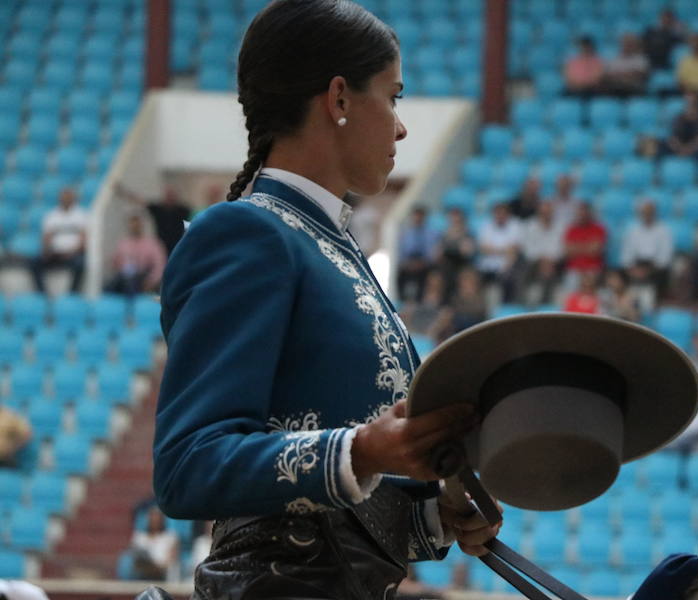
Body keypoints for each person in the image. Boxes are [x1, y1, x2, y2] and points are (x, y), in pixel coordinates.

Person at [153, 3, 499, 598]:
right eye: (393, 96)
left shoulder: (331, 245)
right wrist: (363, 450)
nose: (400, 125)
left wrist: (435, 517)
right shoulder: (248, 232)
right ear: (339, 99)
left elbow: (338, 510)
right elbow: (188, 464)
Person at [29, 188, 88, 293]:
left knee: (80, 264)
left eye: (68, 197)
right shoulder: (52, 215)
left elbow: (83, 240)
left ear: (74, 199)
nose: (66, 199)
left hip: (73, 254)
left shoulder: (81, 215)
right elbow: (46, 238)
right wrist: (49, 250)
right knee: (35, 262)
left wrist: (72, 252)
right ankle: (42, 293)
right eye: (64, 197)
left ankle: (72, 293)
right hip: (55, 253)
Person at [117, 183, 192, 258]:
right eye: (168, 195)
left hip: (177, 245)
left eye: (172, 195)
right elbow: (139, 200)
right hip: (160, 245)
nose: (170, 198)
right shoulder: (158, 209)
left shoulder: (183, 210)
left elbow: (191, 222)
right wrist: (122, 191)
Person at [105, 213, 168, 296]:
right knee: (108, 286)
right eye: (132, 226)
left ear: (141, 226)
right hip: (124, 276)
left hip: (143, 277)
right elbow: (115, 263)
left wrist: (151, 281)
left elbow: (160, 266)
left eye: (136, 225)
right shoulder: (124, 243)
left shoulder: (152, 243)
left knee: (130, 284)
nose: (134, 228)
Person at [620, 200, 673, 296]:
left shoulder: (663, 231)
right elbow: (627, 254)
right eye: (644, 213)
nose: (647, 215)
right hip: (636, 264)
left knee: (663, 274)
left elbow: (665, 257)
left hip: (655, 266)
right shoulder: (633, 231)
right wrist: (632, 269)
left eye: (650, 212)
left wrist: (648, 270)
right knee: (619, 275)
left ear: (654, 213)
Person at [477, 201, 523, 303]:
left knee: (509, 277)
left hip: (507, 266)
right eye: (497, 213)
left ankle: (506, 307)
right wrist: (504, 250)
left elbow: (514, 249)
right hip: (487, 266)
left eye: (502, 213)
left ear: (507, 214)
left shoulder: (515, 225)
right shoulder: (487, 226)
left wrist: (494, 250)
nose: (500, 216)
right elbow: (483, 248)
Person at [521, 201, 564, 306]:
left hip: (555, 263)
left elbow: (561, 249)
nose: (546, 215)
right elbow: (528, 250)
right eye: (543, 213)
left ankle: (549, 305)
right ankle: (526, 303)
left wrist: (549, 260)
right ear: (539, 213)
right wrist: (542, 260)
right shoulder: (530, 226)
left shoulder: (560, 227)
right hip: (534, 263)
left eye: (548, 212)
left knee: (550, 270)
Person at [396, 206, 439, 301]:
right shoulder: (405, 233)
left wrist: (423, 262)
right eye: (416, 216)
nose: (418, 219)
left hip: (424, 265)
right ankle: (402, 300)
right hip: (408, 264)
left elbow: (433, 253)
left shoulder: (432, 233)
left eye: (420, 216)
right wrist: (407, 263)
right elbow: (402, 251)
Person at [435, 207, 475, 302]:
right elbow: (437, 254)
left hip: (462, 267)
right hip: (447, 268)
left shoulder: (467, 233)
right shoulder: (445, 235)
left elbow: (467, 252)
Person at [130, 507, 179, 581]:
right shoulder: (139, 537)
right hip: (143, 572)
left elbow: (171, 559)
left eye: (158, 517)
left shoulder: (171, 537)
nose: (155, 520)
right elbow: (136, 561)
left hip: (162, 573)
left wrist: (156, 567)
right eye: (152, 517)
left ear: (162, 520)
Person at [563, 202, 607, 285]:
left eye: (585, 212)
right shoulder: (571, 230)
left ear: (590, 213)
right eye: (580, 212)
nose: (582, 215)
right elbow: (567, 252)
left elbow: (595, 251)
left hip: (593, 268)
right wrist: (588, 246)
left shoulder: (598, 229)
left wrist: (576, 247)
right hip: (574, 268)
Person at [667, 92, 698, 159]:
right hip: (680, 148)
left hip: (697, 150)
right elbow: (673, 137)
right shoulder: (678, 118)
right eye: (688, 102)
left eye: (693, 102)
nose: (690, 104)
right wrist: (680, 148)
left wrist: (688, 149)